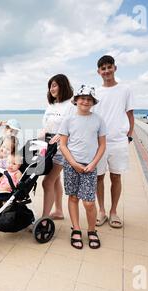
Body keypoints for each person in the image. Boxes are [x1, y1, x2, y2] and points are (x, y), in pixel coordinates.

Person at [58, 85, 107, 249]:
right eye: (82, 98)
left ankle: (92, 230)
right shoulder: (68, 120)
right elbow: (63, 145)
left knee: (89, 202)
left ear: (92, 102)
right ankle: (76, 228)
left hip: (90, 167)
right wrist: (73, 163)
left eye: (89, 99)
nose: (85, 101)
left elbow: (102, 145)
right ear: (76, 100)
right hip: (71, 165)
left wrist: (93, 164)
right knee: (73, 197)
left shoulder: (98, 120)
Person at [93, 55, 135, 229]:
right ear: (98, 72)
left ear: (115, 68)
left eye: (109, 67)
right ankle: (101, 211)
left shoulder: (125, 90)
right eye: (103, 68)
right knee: (99, 177)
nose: (106, 71)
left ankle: (113, 212)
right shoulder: (96, 92)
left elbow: (130, 114)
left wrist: (129, 135)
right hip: (99, 141)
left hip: (118, 141)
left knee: (116, 176)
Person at [40, 74, 75, 220]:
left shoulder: (71, 105)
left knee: (47, 182)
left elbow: (74, 126)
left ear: (63, 85)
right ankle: (59, 211)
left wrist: (61, 135)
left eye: (54, 85)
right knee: (55, 180)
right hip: (48, 147)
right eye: (50, 86)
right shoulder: (51, 105)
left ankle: (44, 218)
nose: (51, 88)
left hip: (62, 148)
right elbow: (46, 126)